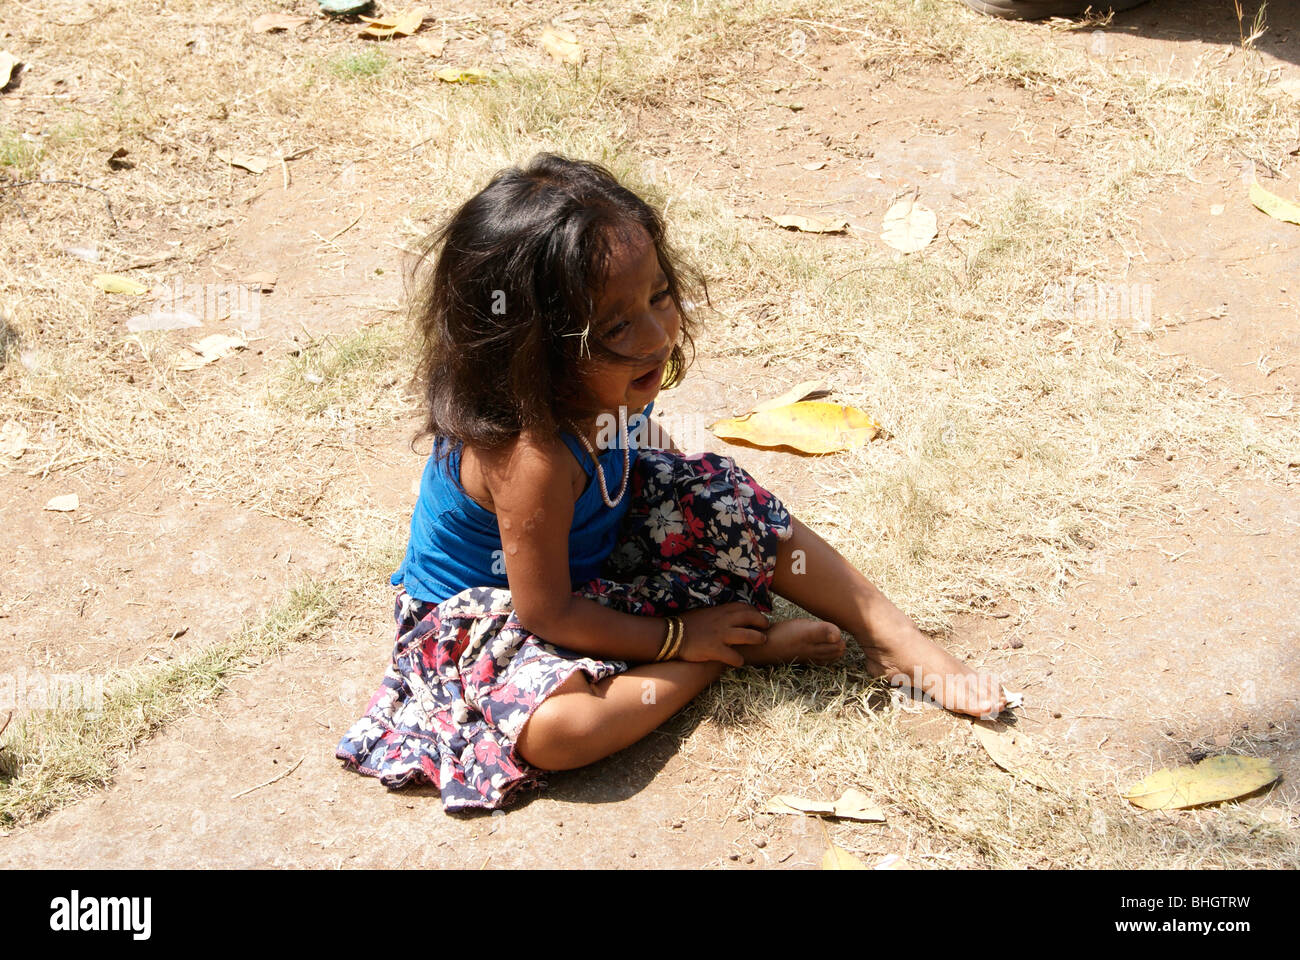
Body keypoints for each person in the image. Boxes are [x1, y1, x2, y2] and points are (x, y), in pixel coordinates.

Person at [335, 154, 1006, 811]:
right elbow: (548, 614)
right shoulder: (529, 458)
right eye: (618, 324)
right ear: (529, 348)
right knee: (560, 733)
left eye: (659, 295)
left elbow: (642, 453)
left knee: (725, 500)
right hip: (498, 610)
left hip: (593, 551)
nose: (657, 333)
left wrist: (695, 508)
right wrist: (686, 639)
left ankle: (891, 636)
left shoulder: (607, 382)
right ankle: (727, 655)